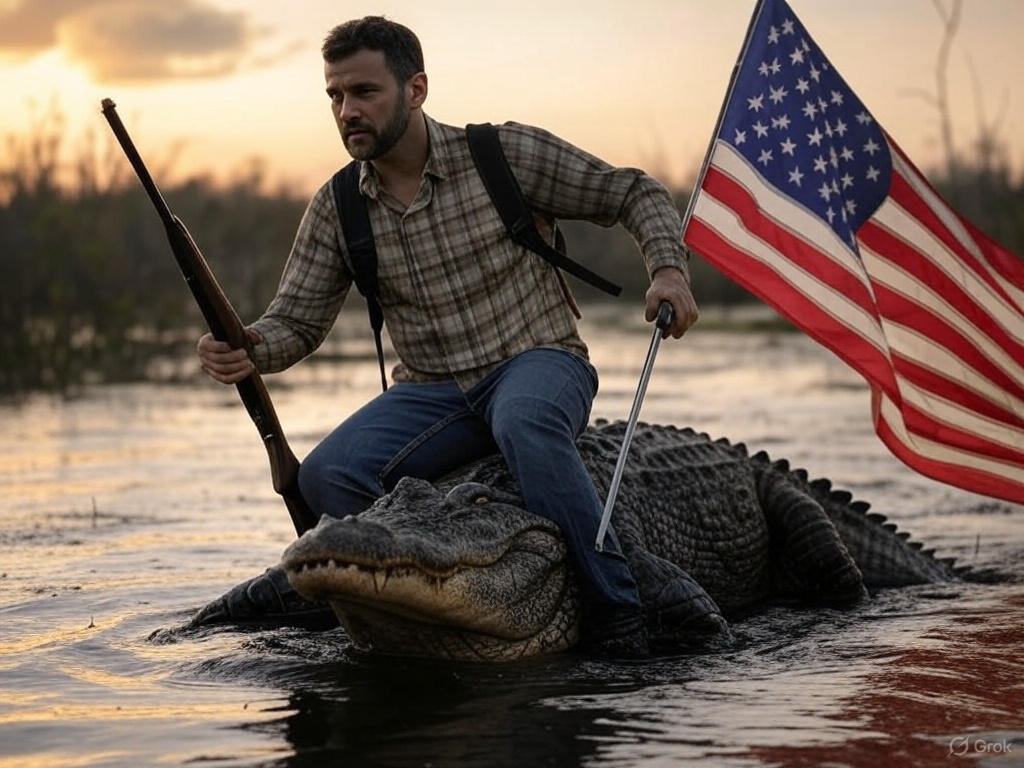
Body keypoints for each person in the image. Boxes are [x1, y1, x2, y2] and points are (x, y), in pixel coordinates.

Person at [197, 16, 698, 657]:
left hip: (537, 360)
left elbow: (632, 191)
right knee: (329, 475)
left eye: (364, 92)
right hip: (433, 394)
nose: (347, 110)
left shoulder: (502, 154)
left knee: (524, 425)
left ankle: (617, 615)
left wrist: (667, 271)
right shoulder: (337, 206)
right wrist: (243, 348)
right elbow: (294, 324)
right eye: (335, 96)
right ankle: (409, 610)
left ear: (416, 89)